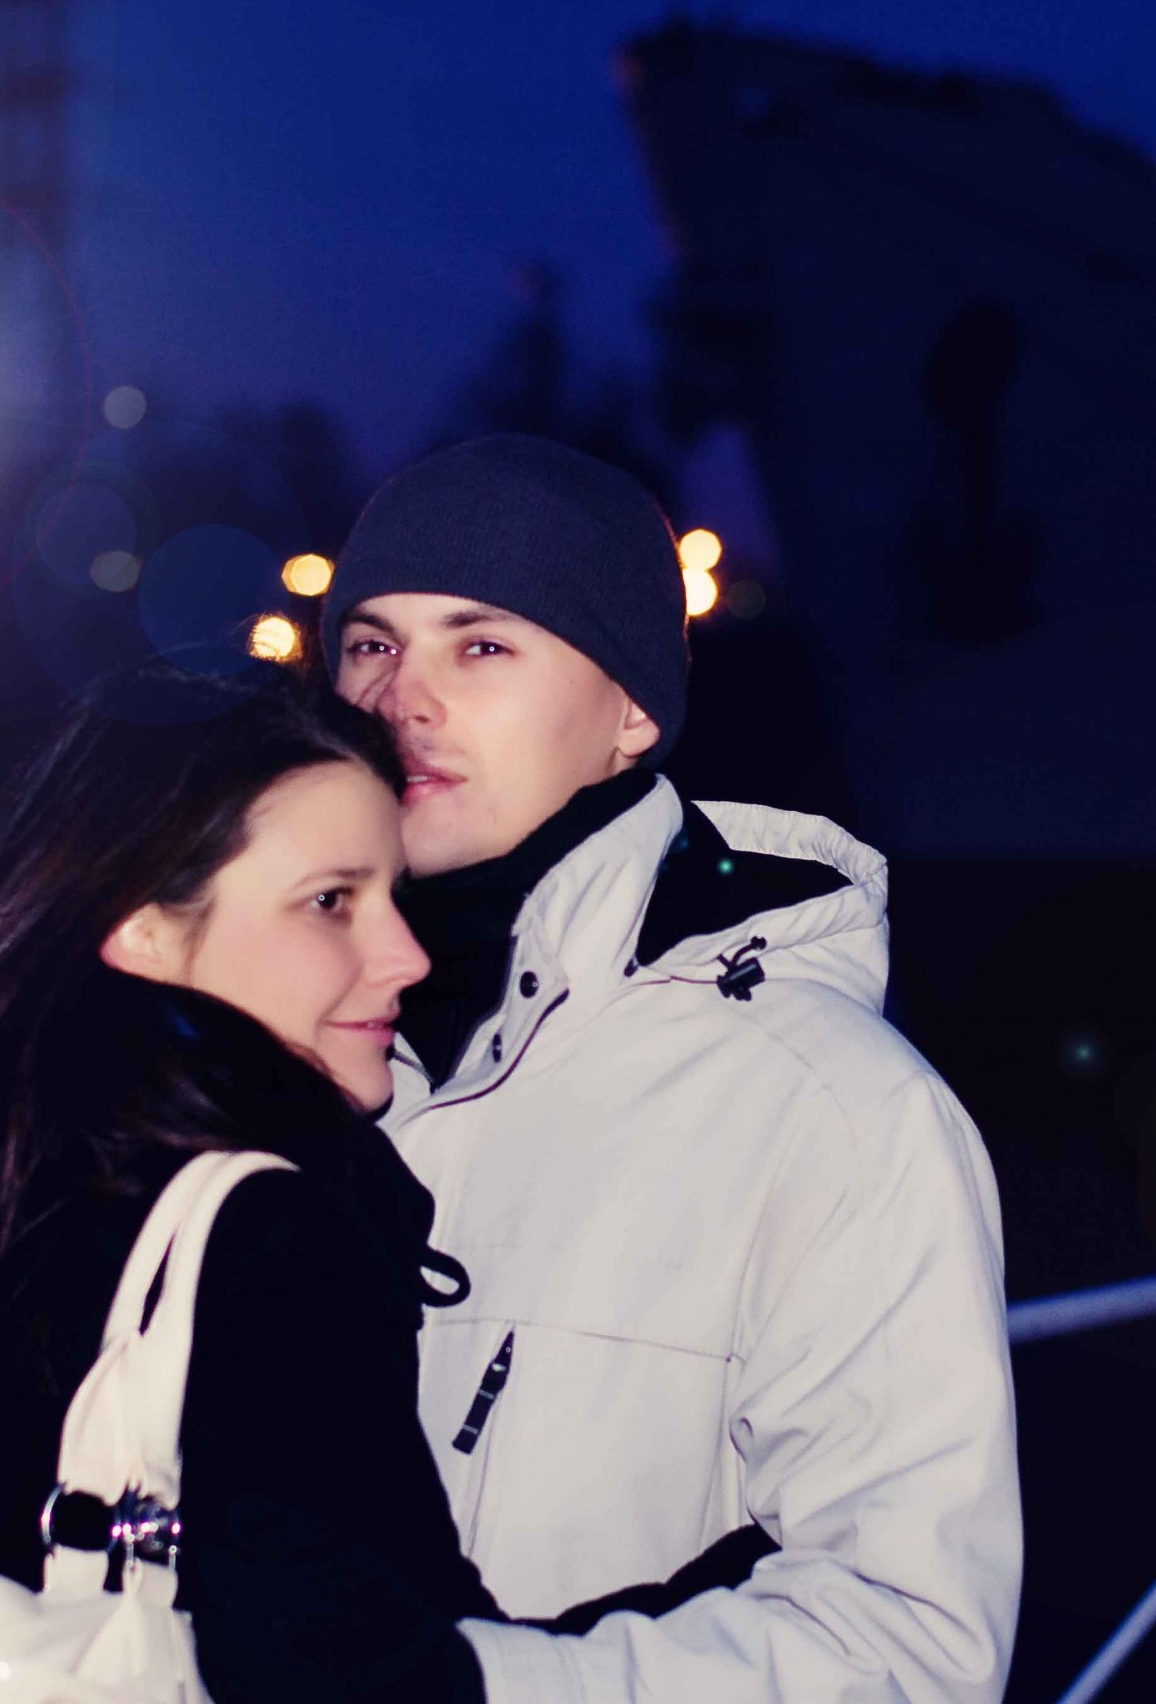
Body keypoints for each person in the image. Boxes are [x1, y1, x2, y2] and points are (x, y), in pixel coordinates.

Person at [0, 664, 761, 1704]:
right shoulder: (259, 1236)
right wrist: (744, 1593)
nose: (406, 955)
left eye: (394, 895)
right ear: (143, 929)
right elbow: (368, 1668)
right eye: (330, 902)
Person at [326, 434, 1022, 1703]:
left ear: (632, 712)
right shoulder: (274, 1052)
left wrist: (468, 1688)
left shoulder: (831, 1108)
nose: (399, 698)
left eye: (482, 646)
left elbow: (907, 1647)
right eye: (371, 644)